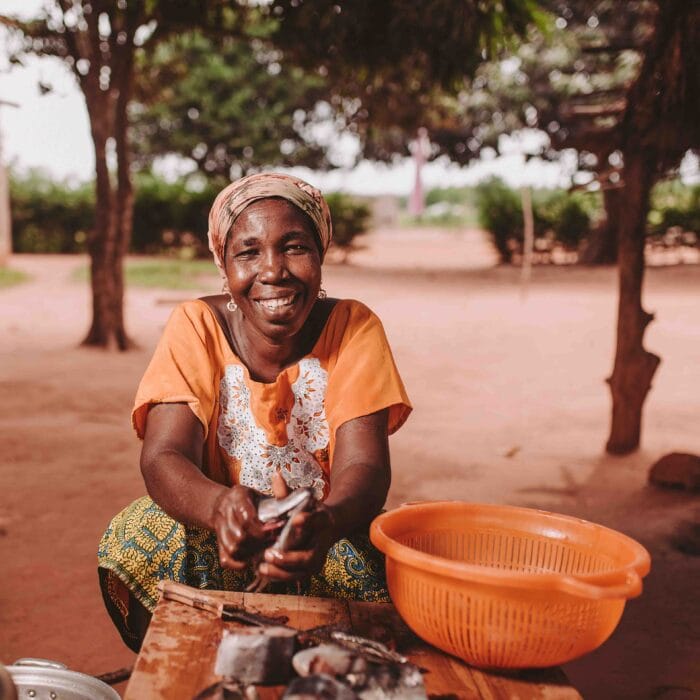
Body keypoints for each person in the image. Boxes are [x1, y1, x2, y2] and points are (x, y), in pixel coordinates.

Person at [97, 173, 412, 652]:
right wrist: (221, 507)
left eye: (294, 247)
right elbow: (163, 456)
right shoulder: (196, 325)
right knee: (140, 530)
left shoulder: (354, 327)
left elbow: (366, 466)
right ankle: (185, 664)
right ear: (223, 265)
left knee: (395, 559)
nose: (273, 271)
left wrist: (325, 522)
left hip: (326, 539)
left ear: (321, 255)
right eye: (248, 252)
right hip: (222, 543)